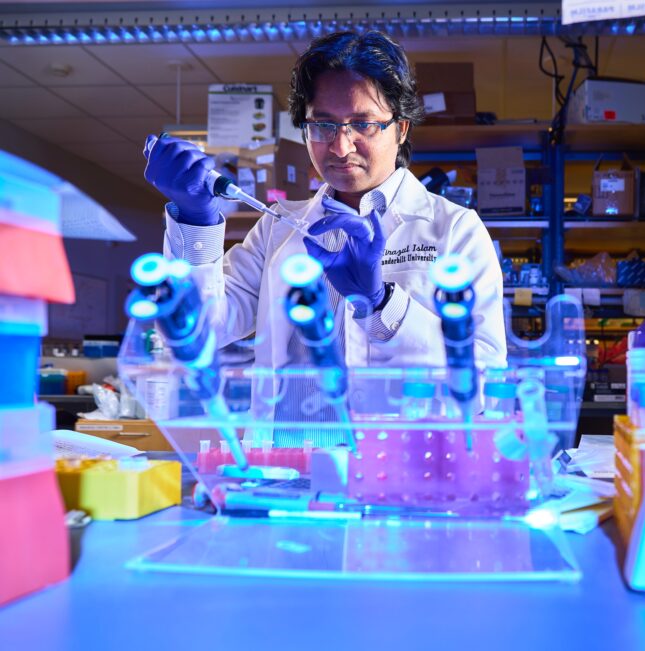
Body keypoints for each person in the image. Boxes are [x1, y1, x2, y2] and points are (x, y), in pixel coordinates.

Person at [142, 31, 507, 437]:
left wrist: (379, 304)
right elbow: (195, 333)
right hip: (287, 472)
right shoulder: (277, 228)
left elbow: (486, 387)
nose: (339, 146)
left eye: (363, 124)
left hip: (402, 471)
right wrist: (196, 221)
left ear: (401, 128)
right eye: (323, 125)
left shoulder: (454, 229)